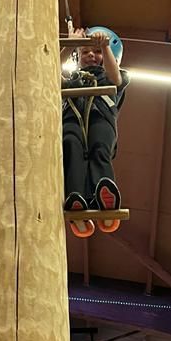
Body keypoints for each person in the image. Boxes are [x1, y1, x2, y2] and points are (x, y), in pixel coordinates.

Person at [61, 24, 128, 237]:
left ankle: (104, 192)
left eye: (96, 52)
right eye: (85, 52)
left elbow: (116, 79)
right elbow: (49, 73)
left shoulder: (111, 76)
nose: (91, 55)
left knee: (99, 148)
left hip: (101, 118)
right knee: (71, 147)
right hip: (72, 119)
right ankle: (75, 196)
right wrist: (70, 45)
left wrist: (104, 46)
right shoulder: (72, 81)